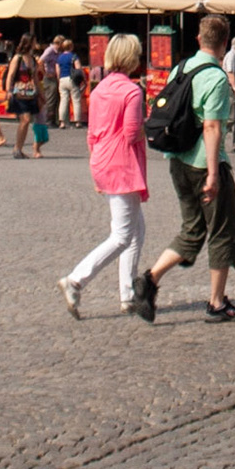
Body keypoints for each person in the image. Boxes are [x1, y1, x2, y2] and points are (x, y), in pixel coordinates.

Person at [134, 14, 235, 324]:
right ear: (225, 43)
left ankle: (149, 279)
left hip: (177, 161)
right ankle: (216, 302)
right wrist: (213, 174)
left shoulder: (181, 68)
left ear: (199, 39)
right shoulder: (216, 78)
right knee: (223, 230)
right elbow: (212, 127)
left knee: (193, 229)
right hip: (203, 163)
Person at [60, 34, 150, 318]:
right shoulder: (132, 91)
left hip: (102, 159)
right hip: (122, 163)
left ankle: (127, 294)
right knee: (123, 235)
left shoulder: (99, 90)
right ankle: (76, 279)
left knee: (136, 229)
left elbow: (91, 133)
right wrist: (152, 126)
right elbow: (132, 132)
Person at [6, 40, 44, 159]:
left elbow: (35, 78)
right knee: (25, 119)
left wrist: (41, 93)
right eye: (34, 41)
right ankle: (17, 148)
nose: (36, 44)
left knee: (26, 121)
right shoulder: (18, 58)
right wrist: (8, 90)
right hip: (19, 92)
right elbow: (11, 75)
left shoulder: (33, 59)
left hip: (30, 93)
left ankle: (18, 148)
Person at [56, 36, 84, 130]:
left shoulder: (59, 58)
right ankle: (77, 122)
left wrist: (59, 79)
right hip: (72, 79)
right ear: (71, 47)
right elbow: (78, 69)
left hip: (62, 79)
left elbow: (58, 71)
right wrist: (83, 79)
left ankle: (62, 122)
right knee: (76, 100)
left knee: (63, 100)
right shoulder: (74, 56)